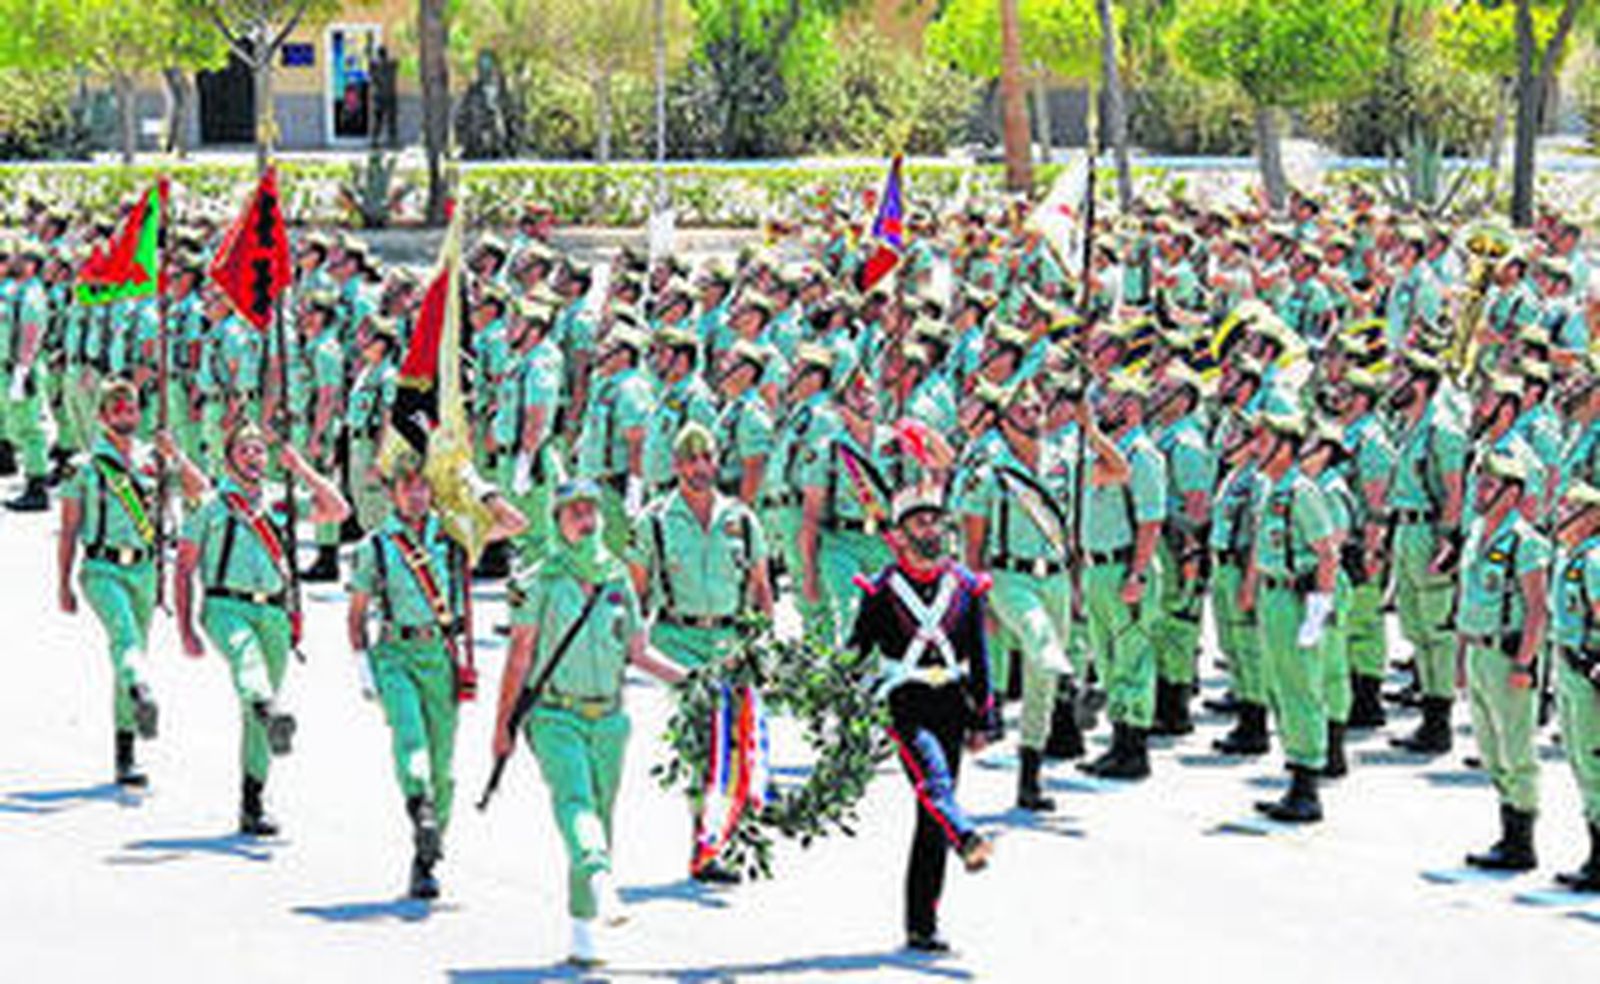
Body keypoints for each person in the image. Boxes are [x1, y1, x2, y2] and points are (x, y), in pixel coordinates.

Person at [492, 479, 685, 968]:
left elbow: (638, 651)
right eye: (573, 512)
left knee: (601, 815)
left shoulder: (617, 577)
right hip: (557, 715)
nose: (585, 519)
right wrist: (504, 727)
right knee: (575, 803)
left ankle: (583, 929)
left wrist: (693, 680)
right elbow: (519, 657)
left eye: (590, 510)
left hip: (610, 718)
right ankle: (604, 882)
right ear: (557, 521)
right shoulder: (541, 579)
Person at [347, 447, 526, 898]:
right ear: (392, 493)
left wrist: (475, 483)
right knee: (410, 739)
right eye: (406, 486)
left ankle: (425, 857)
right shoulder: (376, 545)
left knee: (444, 768)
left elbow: (515, 524)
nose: (415, 495)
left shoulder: (451, 537)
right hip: (395, 652)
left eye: (423, 485)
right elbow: (357, 613)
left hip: (441, 657)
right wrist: (363, 666)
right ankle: (420, 809)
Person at [174, 422, 350, 836]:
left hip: (274, 613)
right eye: (245, 449)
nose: (254, 457)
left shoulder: (279, 499)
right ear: (229, 457)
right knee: (247, 664)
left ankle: (253, 800)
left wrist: (301, 468)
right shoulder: (211, 505)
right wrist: (185, 628)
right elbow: (183, 569)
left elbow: (338, 510)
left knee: (256, 709)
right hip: (225, 606)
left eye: (259, 450)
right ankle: (268, 710)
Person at [852, 487, 996, 954]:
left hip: (951, 702)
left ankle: (921, 925)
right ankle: (968, 836)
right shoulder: (881, 590)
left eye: (935, 520)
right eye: (920, 522)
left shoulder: (965, 587)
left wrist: (984, 717)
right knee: (934, 782)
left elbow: (980, 655)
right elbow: (856, 652)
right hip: (906, 702)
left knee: (929, 815)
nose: (931, 529)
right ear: (900, 535)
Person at [628, 423, 773, 884]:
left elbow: (761, 589)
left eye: (706, 458)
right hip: (680, 642)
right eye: (689, 460)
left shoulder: (741, 519)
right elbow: (636, 591)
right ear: (675, 466)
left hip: (730, 643)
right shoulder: (653, 521)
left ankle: (725, 836)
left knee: (736, 744)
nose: (699, 468)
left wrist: (760, 644)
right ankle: (705, 845)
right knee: (700, 745)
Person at [56, 380, 196, 787]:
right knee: (125, 639)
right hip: (102, 569)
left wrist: (177, 455)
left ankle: (125, 754)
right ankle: (142, 691)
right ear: (101, 417)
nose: (125, 415)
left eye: (131, 409)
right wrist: (62, 584)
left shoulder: (153, 462)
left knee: (129, 653)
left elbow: (199, 491)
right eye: (116, 409)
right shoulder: (82, 466)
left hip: (145, 570)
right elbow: (68, 530)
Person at [1457, 452, 1549, 871]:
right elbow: (1468, 597)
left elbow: (1536, 608)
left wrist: (1524, 665)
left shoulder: (1524, 541)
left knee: (1516, 749)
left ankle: (1521, 840)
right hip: (1478, 649)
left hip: (1506, 655)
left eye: (1491, 486)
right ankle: (1506, 826)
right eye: (1480, 483)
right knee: (1490, 748)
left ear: (1512, 493)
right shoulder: (1478, 532)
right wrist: (1461, 655)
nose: (1481, 491)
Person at [1549, 480, 1600, 892]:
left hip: (1588, 673)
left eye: (1571, 511)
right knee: (1580, 759)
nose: (1561, 516)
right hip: (1566, 667)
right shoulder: (1571, 558)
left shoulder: (1595, 560)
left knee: (1594, 761)